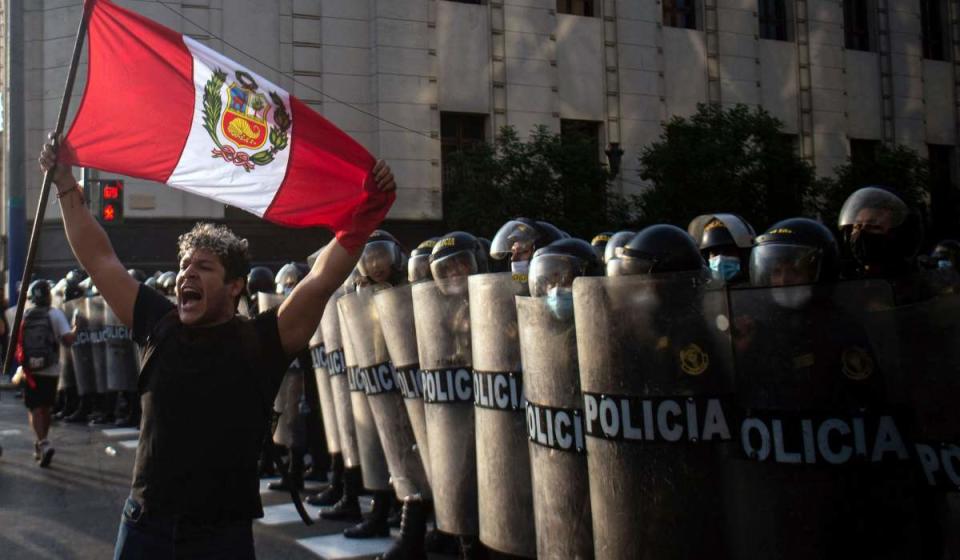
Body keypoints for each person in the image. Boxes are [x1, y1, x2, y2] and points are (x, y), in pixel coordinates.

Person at [40, 136, 396, 559]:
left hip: (220, 539)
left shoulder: (263, 340)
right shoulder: (159, 322)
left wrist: (369, 209)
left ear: (235, 286)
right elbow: (99, 259)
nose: (186, 274)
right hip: (144, 528)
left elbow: (320, 280)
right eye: (184, 266)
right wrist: (65, 184)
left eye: (203, 267)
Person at [17, 279, 76, 468]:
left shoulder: (25, 315)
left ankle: (41, 442)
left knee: (34, 407)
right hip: (51, 369)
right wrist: (76, 327)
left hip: (30, 371)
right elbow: (67, 340)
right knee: (46, 406)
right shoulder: (55, 314)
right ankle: (44, 441)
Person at [687, 213, 755, 283]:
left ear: (744, 256)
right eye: (714, 252)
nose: (720, 258)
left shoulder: (759, 289)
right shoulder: (701, 292)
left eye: (728, 251)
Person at [489, 218, 565, 275]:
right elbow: (520, 281)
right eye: (513, 252)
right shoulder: (514, 286)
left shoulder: (559, 294)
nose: (513, 258)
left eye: (523, 251)